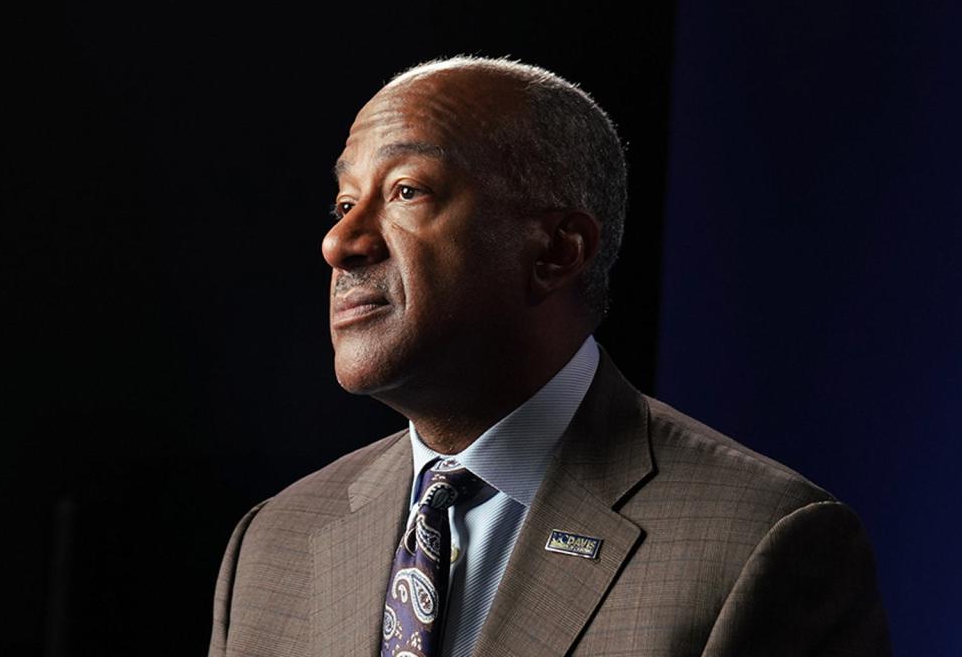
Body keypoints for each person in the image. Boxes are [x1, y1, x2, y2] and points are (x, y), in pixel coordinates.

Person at [208, 57, 890, 657]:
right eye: (345, 203)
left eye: (406, 192)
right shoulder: (272, 544)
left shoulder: (759, 543)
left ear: (558, 252)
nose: (340, 244)